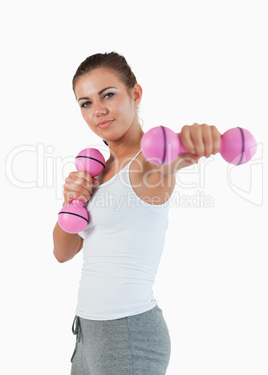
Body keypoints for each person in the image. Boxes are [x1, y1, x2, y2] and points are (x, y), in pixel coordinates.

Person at [52, 52, 221, 375]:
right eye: (85, 103)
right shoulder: (98, 173)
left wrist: (198, 140)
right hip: (86, 333)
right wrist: (70, 199)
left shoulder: (149, 160)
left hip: (128, 335)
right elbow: (62, 252)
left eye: (109, 95)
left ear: (136, 93)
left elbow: (173, 155)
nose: (98, 110)